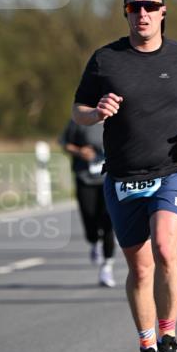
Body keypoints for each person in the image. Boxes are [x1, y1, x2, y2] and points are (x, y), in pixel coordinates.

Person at [71, 0, 177, 352]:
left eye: (151, 6)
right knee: (140, 266)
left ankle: (169, 338)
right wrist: (95, 112)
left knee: (166, 247)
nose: (143, 13)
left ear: (164, 11)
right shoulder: (105, 60)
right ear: (126, 14)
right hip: (124, 176)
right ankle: (148, 349)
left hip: (173, 168)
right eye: (135, 8)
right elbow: (77, 111)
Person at [59, 118, 116, 287]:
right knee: (89, 219)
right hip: (85, 178)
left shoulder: (118, 118)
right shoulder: (80, 120)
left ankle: (107, 266)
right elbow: (64, 143)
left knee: (108, 223)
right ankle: (93, 241)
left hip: (110, 179)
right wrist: (79, 151)